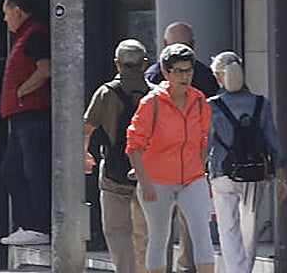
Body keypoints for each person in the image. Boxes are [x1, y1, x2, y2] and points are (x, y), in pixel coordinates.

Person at [125, 43, 214, 273]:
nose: (185, 76)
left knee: (201, 233)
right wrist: (144, 182)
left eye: (189, 70)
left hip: (192, 178)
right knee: (159, 236)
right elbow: (134, 144)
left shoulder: (200, 101)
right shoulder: (151, 103)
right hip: (157, 180)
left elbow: (203, 139)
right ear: (166, 73)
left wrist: (200, 172)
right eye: (179, 71)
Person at [207, 52, 287, 273]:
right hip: (254, 172)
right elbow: (273, 141)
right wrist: (282, 177)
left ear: (219, 77)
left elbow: (205, 144)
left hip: (222, 171)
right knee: (249, 227)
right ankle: (245, 270)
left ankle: (237, 270)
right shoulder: (261, 103)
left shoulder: (212, 106)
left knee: (228, 228)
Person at [83, 39, 152, 273]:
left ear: (117, 64)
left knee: (116, 230)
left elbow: (87, 129)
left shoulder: (105, 93)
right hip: (149, 174)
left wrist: (85, 155)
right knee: (147, 231)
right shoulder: (156, 96)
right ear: (144, 65)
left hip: (114, 172)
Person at [0, 0, 52, 246]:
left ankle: (39, 225)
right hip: (20, 116)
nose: (6, 20)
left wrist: (20, 91)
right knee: (12, 169)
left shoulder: (34, 34)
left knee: (34, 170)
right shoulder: (23, 36)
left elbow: (45, 70)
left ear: (17, 11)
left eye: (7, 14)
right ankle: (28, 224)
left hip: (31, 113)